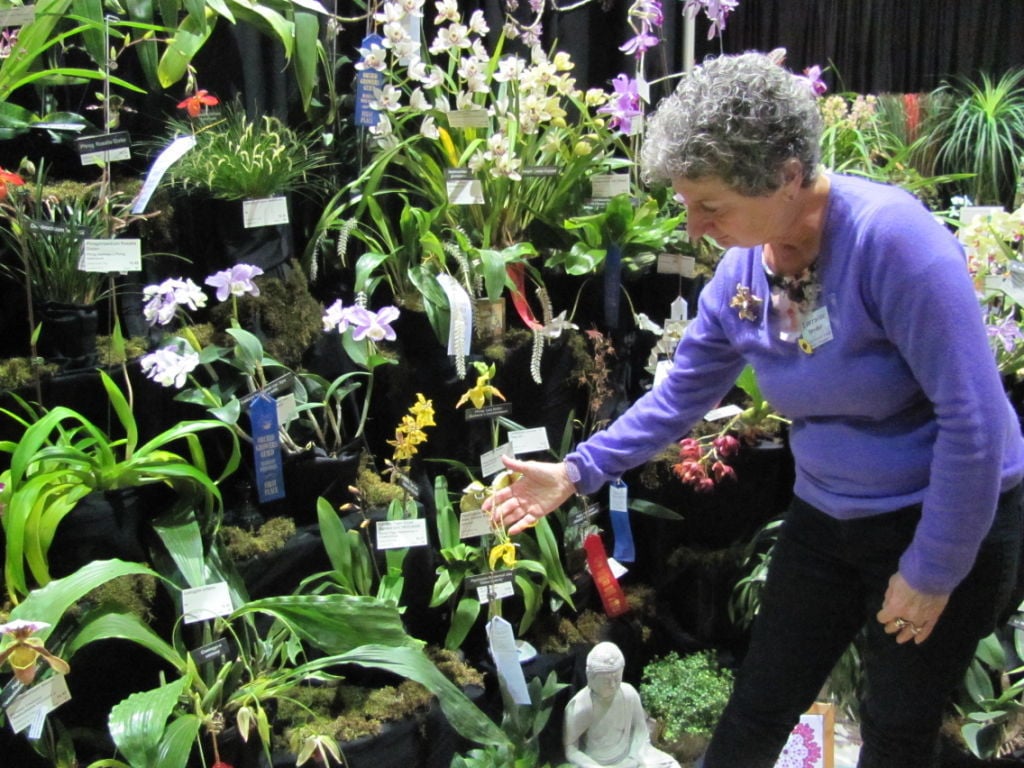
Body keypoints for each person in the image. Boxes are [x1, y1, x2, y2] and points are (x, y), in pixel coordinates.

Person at [485, 51, 1024, 768]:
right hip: (829, 515)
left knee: (897, 727)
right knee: (758, 703)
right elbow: (682, 393)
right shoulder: (745, 271)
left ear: (788, 176)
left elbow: (975, 425)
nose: (694, 227)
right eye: (686, 203)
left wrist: (932, 571)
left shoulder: (895, 245)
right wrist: (579, 471)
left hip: (942, 512)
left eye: (711, 206)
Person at [563, 641, 679, 768]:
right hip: (598, 763)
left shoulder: (628, 693)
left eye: (617, 679)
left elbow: (641, 730)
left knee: (671, 765)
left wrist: (633, 756)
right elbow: (571, 749)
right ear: (590, 677)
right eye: (607, 681)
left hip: (630, 757)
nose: (613, 685)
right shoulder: (581, 706)